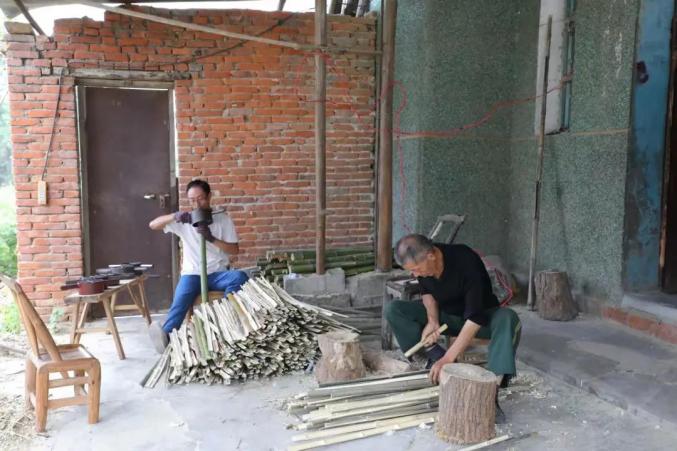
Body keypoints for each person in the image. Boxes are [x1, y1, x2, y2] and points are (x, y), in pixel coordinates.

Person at [384, 234, 521, 423]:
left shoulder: (465, 260)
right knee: (394, 309)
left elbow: (474, 317)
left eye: (416, 269)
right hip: (447, 317)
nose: (415, 275)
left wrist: (448, 358)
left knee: (508, 318)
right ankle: (430, 359)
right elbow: (426, 291)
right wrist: (433, 321)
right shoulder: (424, 267)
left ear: (431, 256)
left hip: (482, 318)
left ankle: (491, 391)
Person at [147, 179, 248, 353]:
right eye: (192, 200)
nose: (197, 204)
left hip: (217, 274)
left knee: (240, 277)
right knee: (180, 301)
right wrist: (175, 216)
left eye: (200, 199)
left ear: (209, 196)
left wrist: (211, 238)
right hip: (192, 274)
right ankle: (166, 335)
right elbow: (153, 225)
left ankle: (226, 319)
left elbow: (235, 250)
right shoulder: (184, 221)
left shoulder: (223, 219)